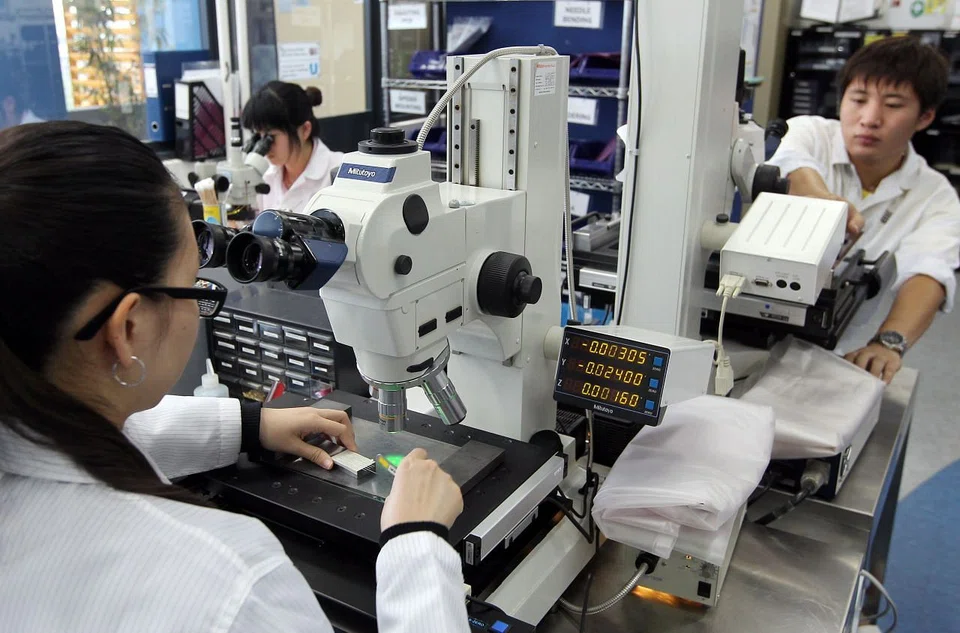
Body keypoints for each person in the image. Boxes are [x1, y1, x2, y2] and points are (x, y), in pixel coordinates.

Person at [0, 121, 469, 632]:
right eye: (192, 284)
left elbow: (77, 436)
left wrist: (249, 424)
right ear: (129, 328)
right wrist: (416, 544)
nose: (201, 297)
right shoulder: (232, 590)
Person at [767, 36, 960, 384]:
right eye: (858, 99)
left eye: (893, 105)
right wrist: (825, 203)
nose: (870, 118)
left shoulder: (936, 196)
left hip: (835, 348)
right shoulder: (810, 133)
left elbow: (928, 270)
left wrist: (888, 343)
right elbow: (790, 162)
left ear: (925, 117)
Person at [241, 81, 343, 215]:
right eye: (258, 136)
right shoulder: (265, 173)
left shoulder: (340, 171)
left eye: (270, 137)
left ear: (305, 130)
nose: (264, 147)